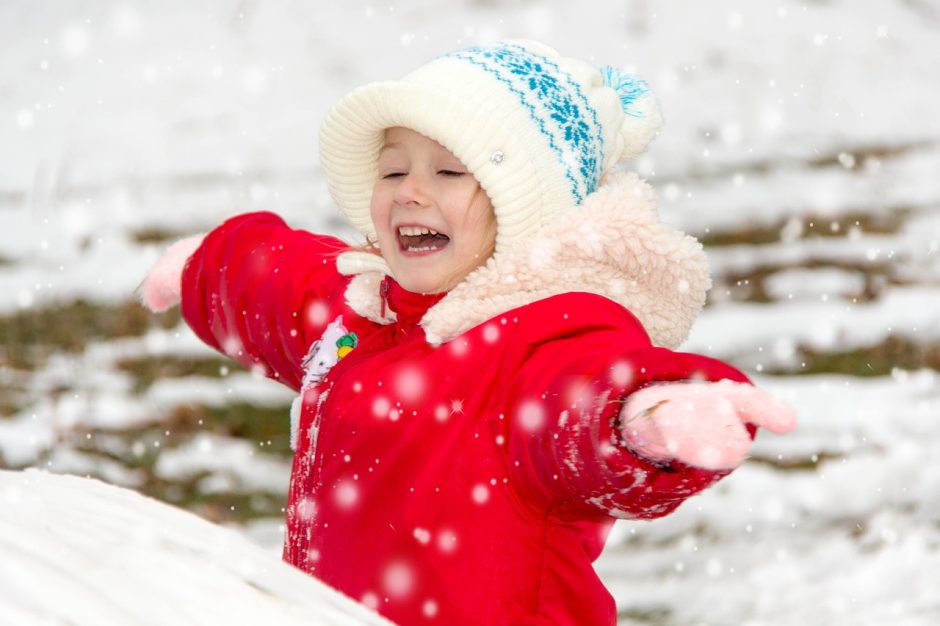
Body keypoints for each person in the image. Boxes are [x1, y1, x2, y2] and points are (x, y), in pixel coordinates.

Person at [141, 40, 796, 626]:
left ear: (524, 206)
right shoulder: (366, 314)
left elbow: (581, 405)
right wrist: (209, 267)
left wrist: (644, 420)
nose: (410, 193)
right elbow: (282, 283)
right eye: (395, 171)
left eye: (449, 173)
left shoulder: (543, 340)